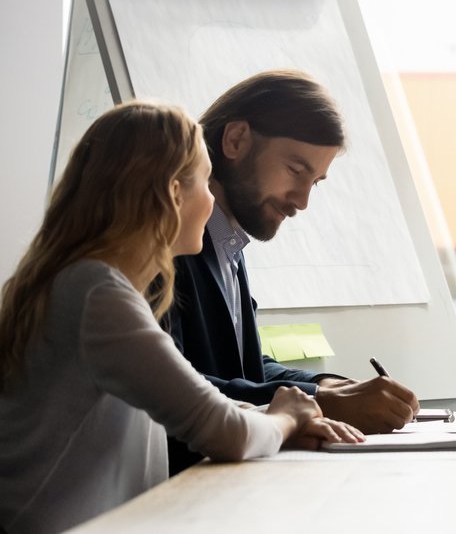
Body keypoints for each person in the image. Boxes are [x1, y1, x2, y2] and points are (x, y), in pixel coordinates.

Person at [0, 102, 362, 534]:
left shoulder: (85, 284)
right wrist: (286, 419)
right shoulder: (99, 294)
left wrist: (279, 423)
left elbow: (191, 404)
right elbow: (222, 431)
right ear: (174, 193)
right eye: (205, 185)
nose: (212, 201)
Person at [166, 70, 419, 475]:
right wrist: (322, 402)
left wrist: (327, 385)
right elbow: (173, 389)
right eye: (296, 170)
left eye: (314, 183)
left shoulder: (228, 243)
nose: (302, 201)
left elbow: (242, 370)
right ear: (234, 140)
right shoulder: (170, 244)